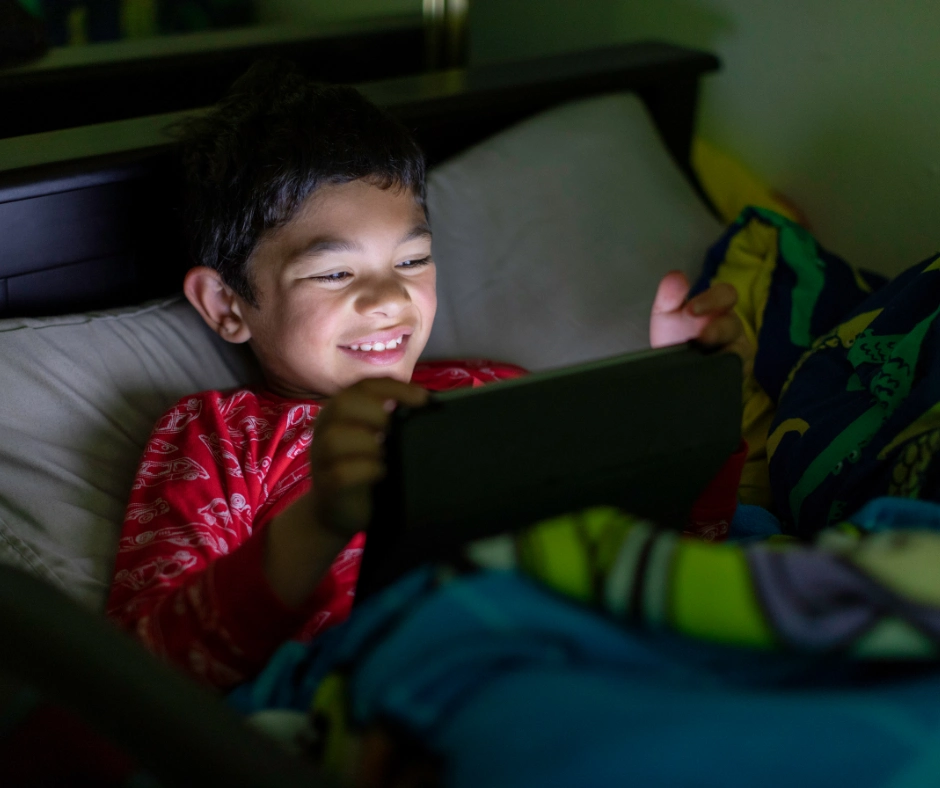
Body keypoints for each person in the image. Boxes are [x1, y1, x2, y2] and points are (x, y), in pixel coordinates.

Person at [105, 60, 750, 690]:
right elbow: (143, 678)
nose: (389, 299)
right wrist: (320, 520)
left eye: (412, 260)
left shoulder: (495, 391)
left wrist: (689, 401)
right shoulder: (223, 438)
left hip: (583, 664)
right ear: (227, 305)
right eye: (334, 272)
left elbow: (679, 562)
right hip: (391, 701)